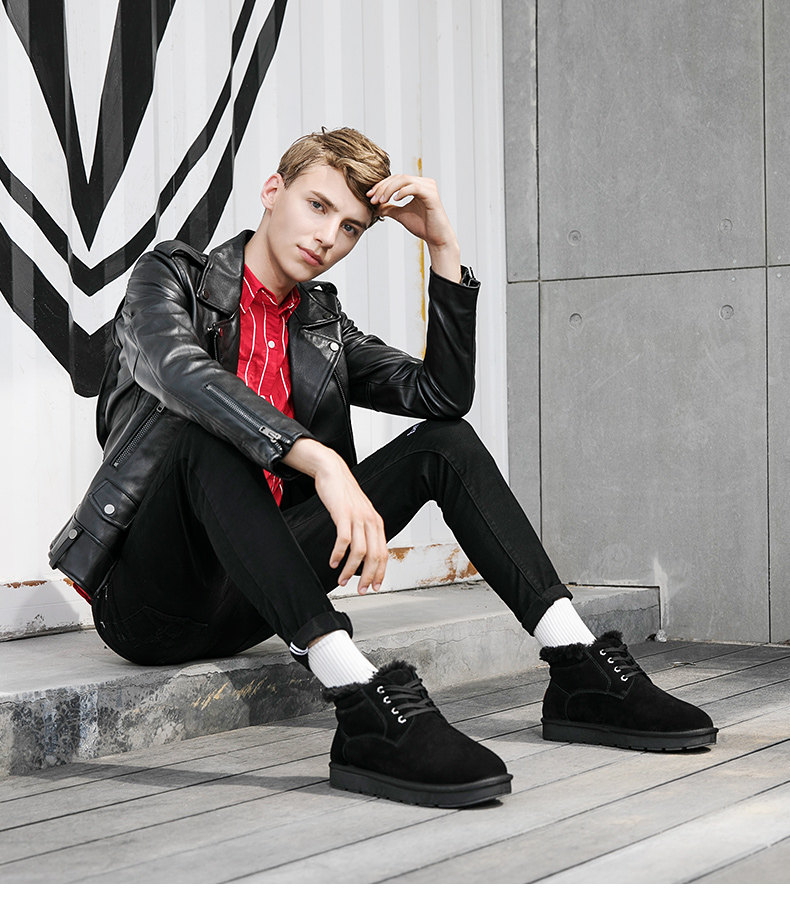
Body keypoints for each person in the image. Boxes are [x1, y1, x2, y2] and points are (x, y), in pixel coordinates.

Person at [50, 127, 716, 809]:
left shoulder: (321, 325)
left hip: (255, 595)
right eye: (316, 206)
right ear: (273, 192)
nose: (327, 237)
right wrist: (321, 461)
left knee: (445, 443)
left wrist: (442, 248)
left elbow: (441, 395)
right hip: (151, 604)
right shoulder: (171, 277)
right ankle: (360, 700)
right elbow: (178, 372)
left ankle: (579, 668)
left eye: (350, 227)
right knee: (205, 435)